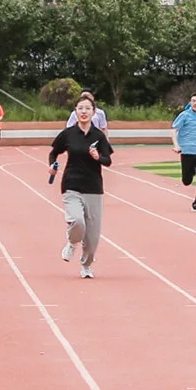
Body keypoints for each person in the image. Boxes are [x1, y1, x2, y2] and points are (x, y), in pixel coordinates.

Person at [49, 96, 114, 279]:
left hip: (93, 187)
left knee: (92, 236)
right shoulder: (68, 134)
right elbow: (54, 152)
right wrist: (52, 165)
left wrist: (97, 157)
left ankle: (86, 265)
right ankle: (72, 242)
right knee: (77, 221)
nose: (84, 112)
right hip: (72, 184)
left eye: (87, 108)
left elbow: (108, 160)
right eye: (80, 108)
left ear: (94, 112)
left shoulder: (98, 136)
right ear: (75, 112)